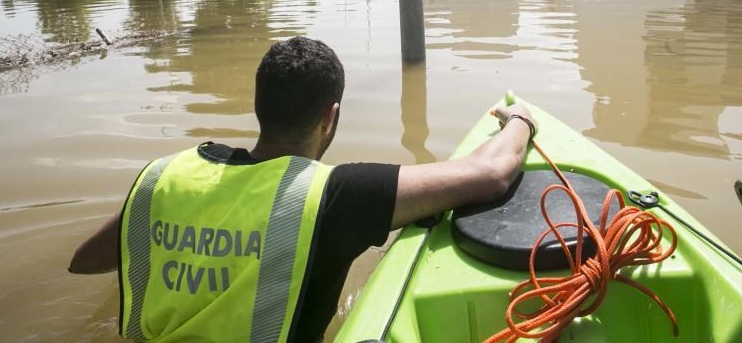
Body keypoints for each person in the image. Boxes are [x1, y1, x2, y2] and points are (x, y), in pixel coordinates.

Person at [69, 36, 535, 342]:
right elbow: (490, 173)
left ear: (257, 107)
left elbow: (84, 262)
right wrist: (520, 121)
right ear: (330, 116)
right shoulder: (335, 197)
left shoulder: (166, 177)